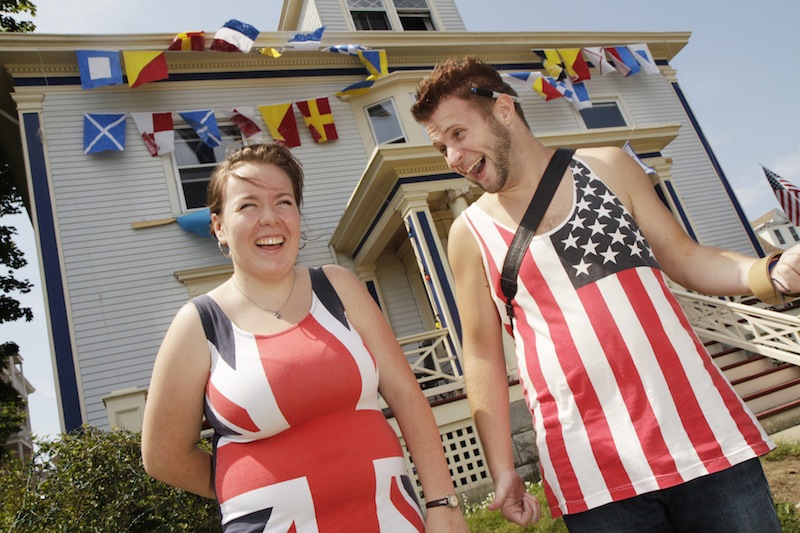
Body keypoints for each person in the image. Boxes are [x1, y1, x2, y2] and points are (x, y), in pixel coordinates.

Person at [411, 56, 791, 532]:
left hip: (704, 437)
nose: (452, 158)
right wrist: (502, 466)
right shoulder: (469, 233)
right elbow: (482, 355)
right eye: (441, 146)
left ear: (503, 109)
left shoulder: (608, 166)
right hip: (592, 470)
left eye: (458, 135)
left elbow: (687, 258)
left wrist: (769, 271)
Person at [141, 141, 469, 533]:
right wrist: (249, 486)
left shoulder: (338, 286)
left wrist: (442, 502)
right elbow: (163, 455)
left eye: (284, 202)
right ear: (219, 226)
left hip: (391, 518)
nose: (270, 218)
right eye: (247, 205)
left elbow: (406, 395)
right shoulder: (197, 324)